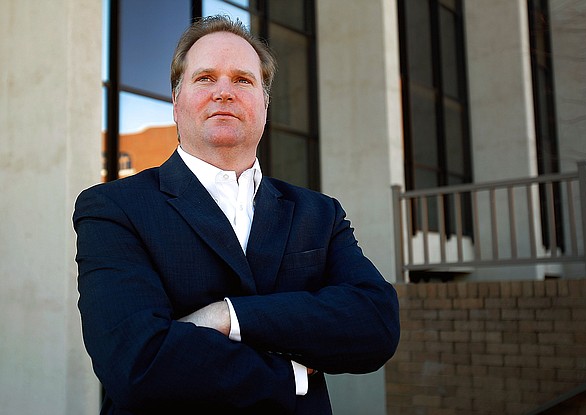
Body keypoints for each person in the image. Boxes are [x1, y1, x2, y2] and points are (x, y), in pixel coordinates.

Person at [73, 15, 400, 415]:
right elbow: (137, 362)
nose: (223, 92)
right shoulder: (114, 209)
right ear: (176, 104)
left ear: (265, 105)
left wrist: (227, 316)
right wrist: (292, 373)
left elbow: (376, 324)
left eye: (243, 80)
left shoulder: (319, 214)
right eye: (205, 78)